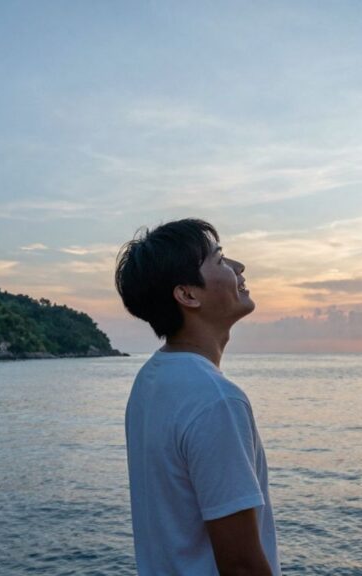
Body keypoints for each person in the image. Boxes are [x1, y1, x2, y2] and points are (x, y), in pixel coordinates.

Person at [115, 218, 279, 575]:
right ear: (188, 294)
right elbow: (241, 566)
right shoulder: (216, 400)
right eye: (220, 261)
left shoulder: (151, 380)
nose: (238, 268)